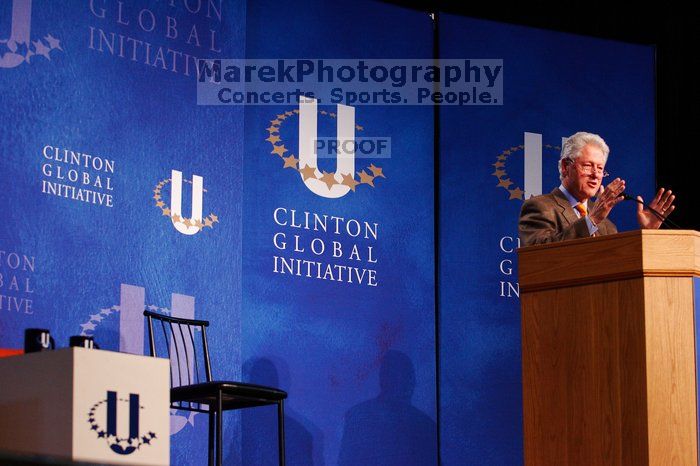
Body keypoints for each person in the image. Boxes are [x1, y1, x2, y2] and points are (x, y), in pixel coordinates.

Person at [518, 132, 676, 246]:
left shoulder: (607, 225)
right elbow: (539, 255)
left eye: (600, 168)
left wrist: (646, 235)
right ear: (566, 166)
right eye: (587, 166)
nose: (595, 175)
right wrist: (591, 221)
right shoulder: (540, 207)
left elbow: (621, 266)